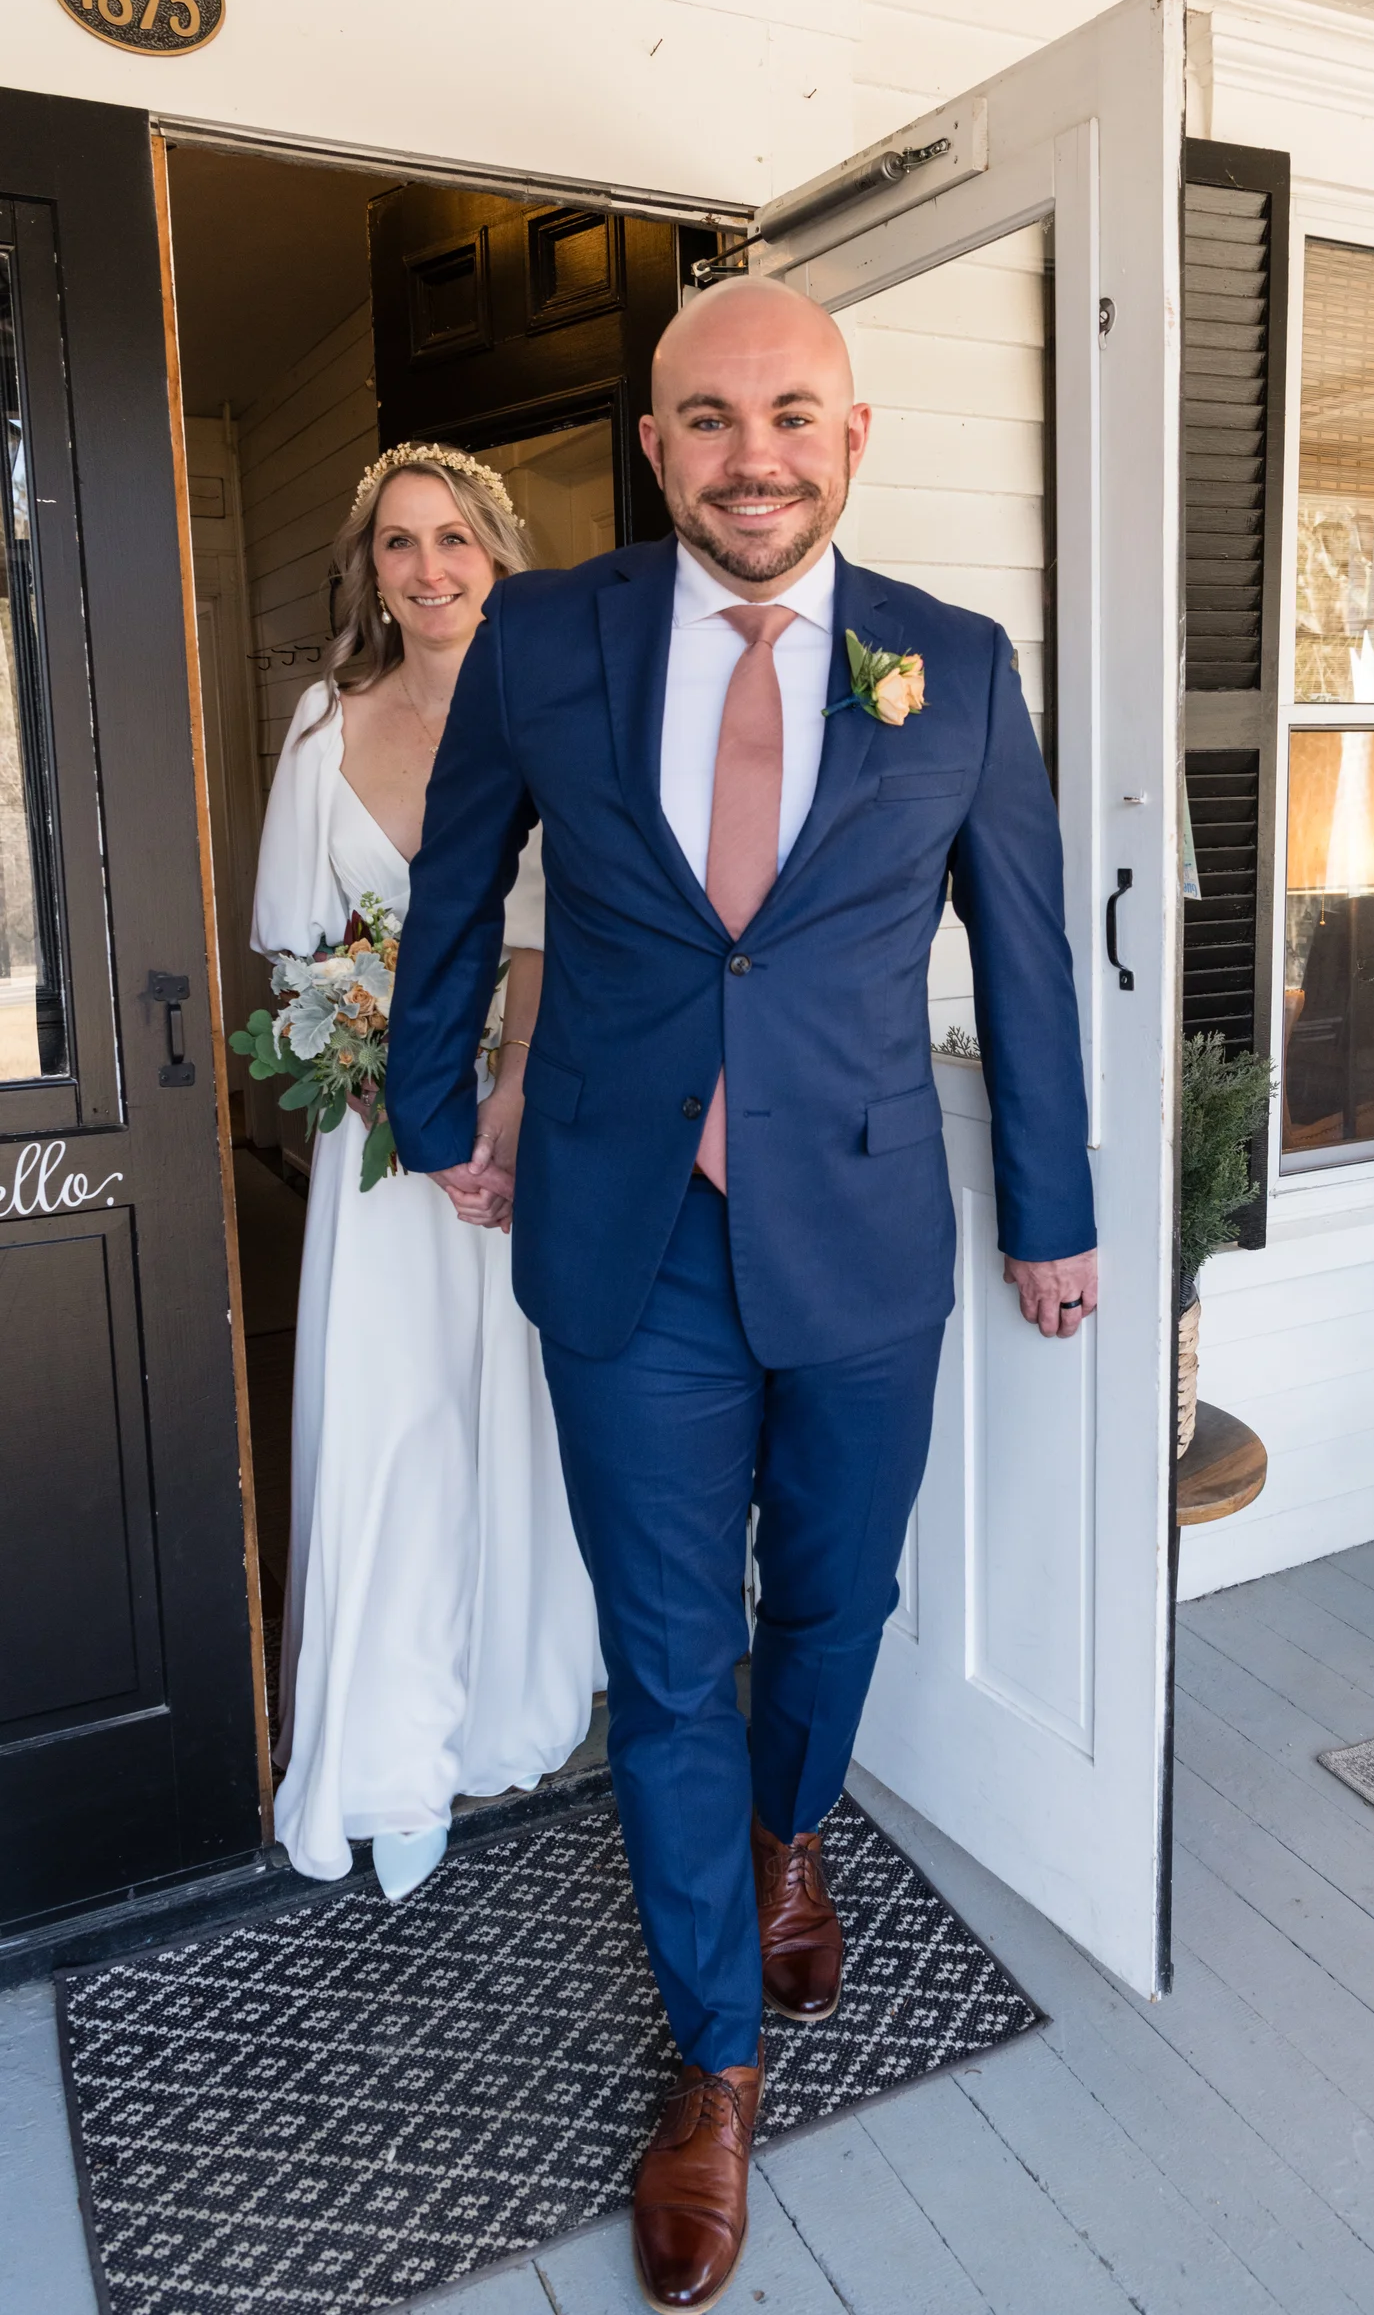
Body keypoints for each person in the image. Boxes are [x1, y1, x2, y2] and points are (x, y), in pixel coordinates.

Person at [386, 285, 1096, 2310]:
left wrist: (1050, 1211)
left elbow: (1024, 954)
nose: (751, 454)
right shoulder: (546, 636)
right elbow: (457, 885)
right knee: (669, 1658)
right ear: (652, 444)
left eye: (791, 414)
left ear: (852, 436)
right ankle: (713, 2062)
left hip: (861, 1229)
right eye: (707, 418)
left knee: (837, 1601)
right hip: (626, 1236)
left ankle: (793, 1839)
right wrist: (432, 1109)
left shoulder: (955, 662)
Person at [252, 442, 602, 1903]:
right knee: (393, 1422)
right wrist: (366, 1066)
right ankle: (386, 1743)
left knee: (506, 1411)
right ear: (371, 572)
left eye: (454, 538)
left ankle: (505, 1696)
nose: (429, 567)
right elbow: (293, 946)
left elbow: (556, 931)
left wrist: (502, 1100)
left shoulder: (556, 716)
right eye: (399, 543)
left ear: (498, 557)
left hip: (514, 1122)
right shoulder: (325, 725)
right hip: (376, 1145)